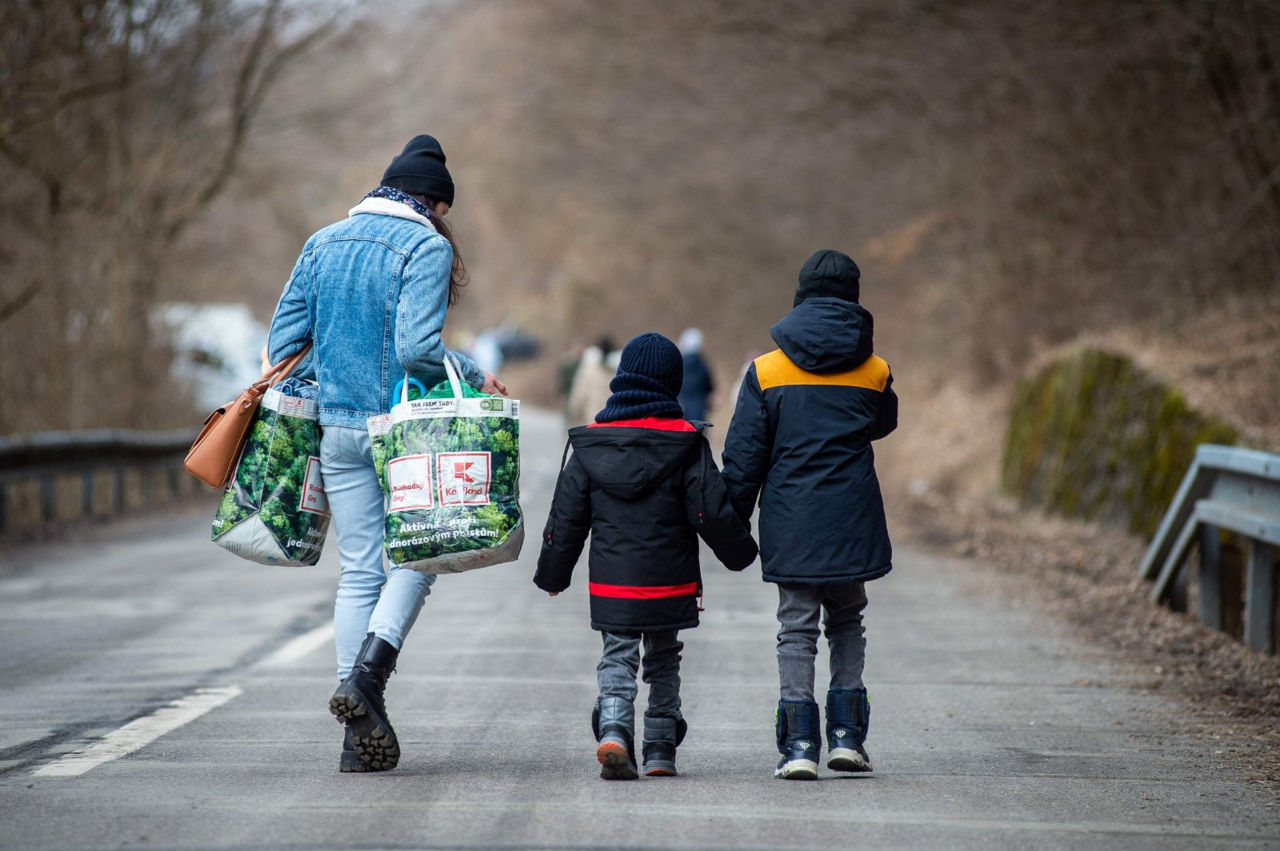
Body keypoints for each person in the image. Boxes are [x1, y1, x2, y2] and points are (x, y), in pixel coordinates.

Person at [266, 134, 506, 773]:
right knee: (427, 551)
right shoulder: (424, 245)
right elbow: (416, 351)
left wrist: (334, 367)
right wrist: (472, 372)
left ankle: (355, 731)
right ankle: (367, 681)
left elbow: (283, 340)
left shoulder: (323, 242)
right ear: (435, 203)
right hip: (400, 431)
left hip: (334, 428)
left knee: (359, 570)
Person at [535, 333, 758, 779]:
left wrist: (553, 574)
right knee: (664, 657)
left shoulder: (591, 444)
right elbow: (712, 510)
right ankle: (659, 746)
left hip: (612, 583)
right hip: (670, 581)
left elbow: (567, 515)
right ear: (672, 384)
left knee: (617, 654)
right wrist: (741, 552)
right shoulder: (686, 442)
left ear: (623, 379)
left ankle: (615, 727)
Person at [721, 249, 897, 780]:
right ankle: (846, 739)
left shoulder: (766, 371)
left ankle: (799, 745)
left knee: (796, 628)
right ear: (854, 298)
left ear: (799, 295)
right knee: (847, 621)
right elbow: (882, 425)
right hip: (852, 517)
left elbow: (744, 457)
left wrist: (731, 524)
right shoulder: (876, 370)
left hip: (791, 518)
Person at [676, 327, 715, 421]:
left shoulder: (677, 364)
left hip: (680, 410)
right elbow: (710, 389)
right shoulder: (703, 365)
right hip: (699, 414)